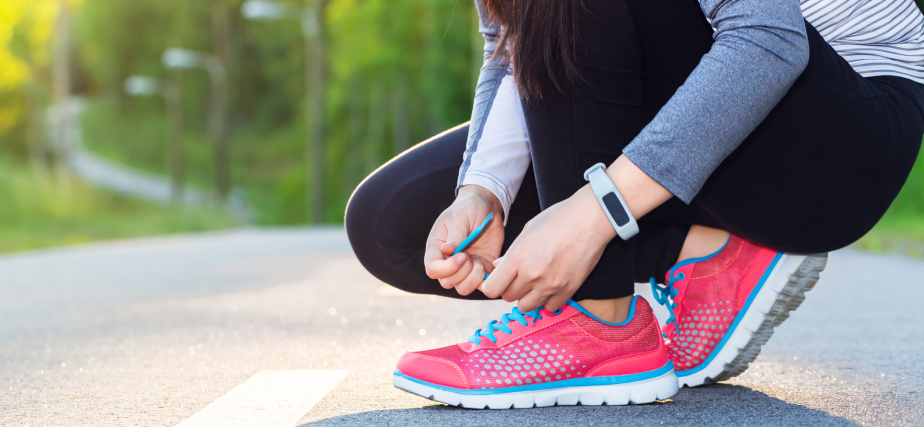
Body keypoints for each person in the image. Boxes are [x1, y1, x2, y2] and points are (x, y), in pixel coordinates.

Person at [344, 0, 924, 408]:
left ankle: (600, 317)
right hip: (709, 107)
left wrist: (590, 217)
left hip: (840, 133)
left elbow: (767, 39)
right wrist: (484, 191)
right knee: (392, 221)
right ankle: (703, 252)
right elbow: (512, 42)